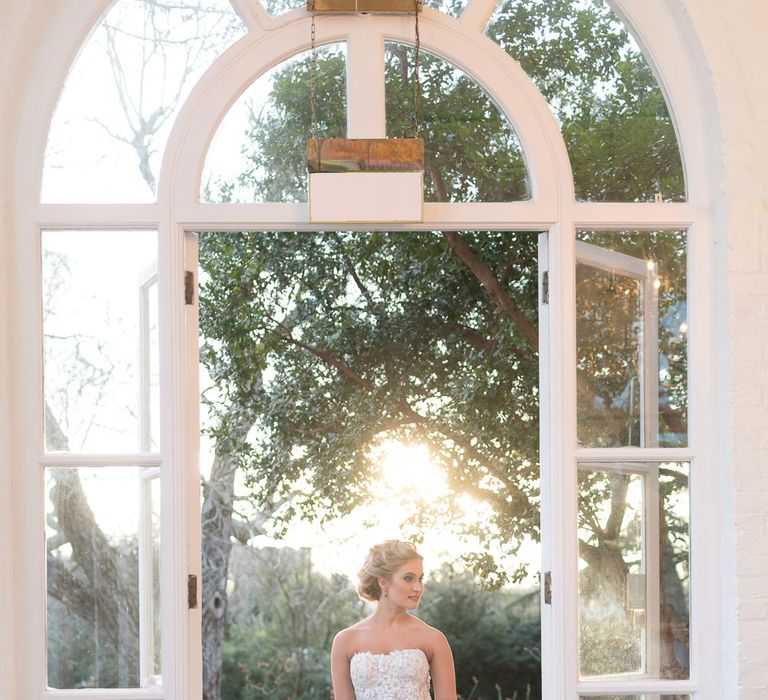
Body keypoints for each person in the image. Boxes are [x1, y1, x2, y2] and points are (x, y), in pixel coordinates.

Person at [330, 540, 457, 700]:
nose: (418, 588)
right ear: (383, 581)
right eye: (409, 578)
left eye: (420, 579)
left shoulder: (434, 639)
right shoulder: (345, 641)